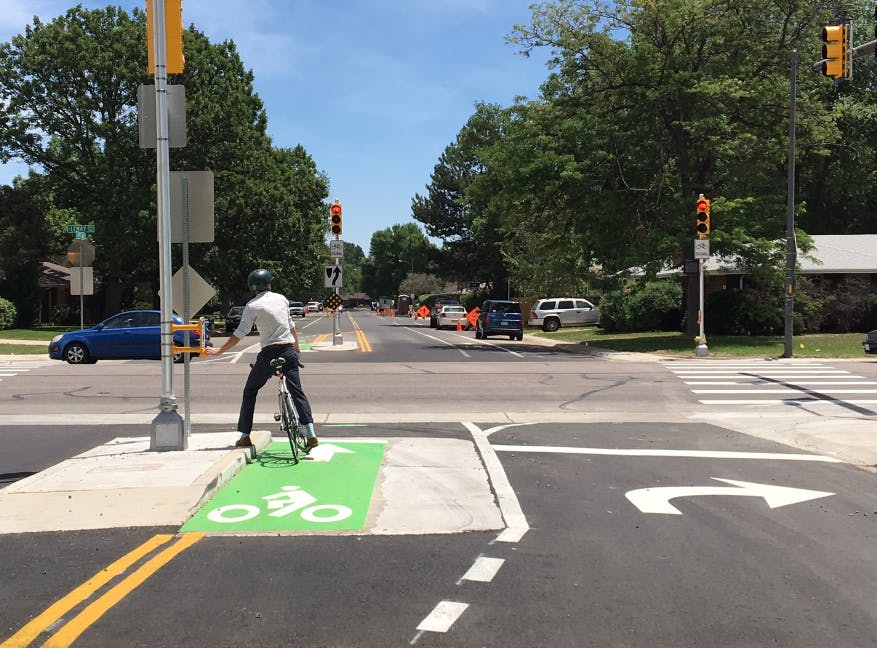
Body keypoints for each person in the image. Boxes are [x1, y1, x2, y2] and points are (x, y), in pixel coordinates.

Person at [205, 269, 318, 449]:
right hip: (288, 351)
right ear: (269, 284)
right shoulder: (282, 299)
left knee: (250, 390)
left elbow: (239, 333)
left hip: (268, 354)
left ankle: (244, 435)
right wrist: (296, 351)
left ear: (252, 287)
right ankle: (310, 431)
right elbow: (291, 326)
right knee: (296, 391)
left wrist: (220, 351)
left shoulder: (252, 306)